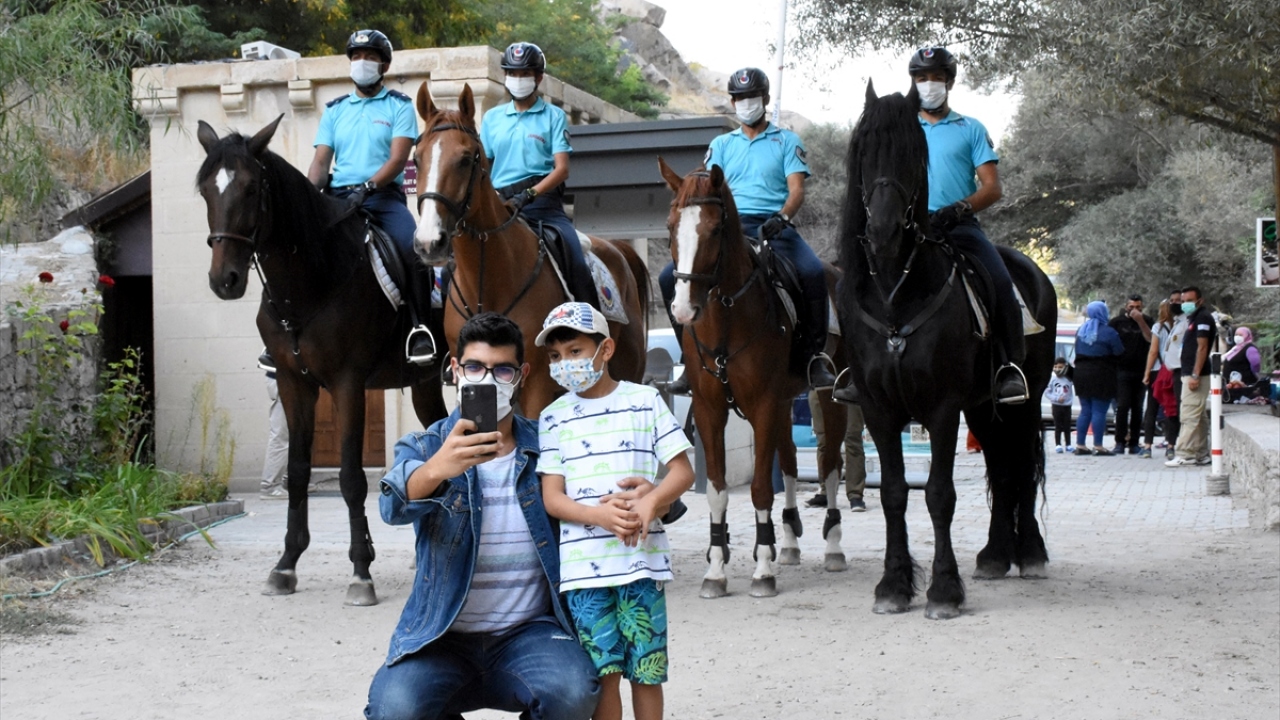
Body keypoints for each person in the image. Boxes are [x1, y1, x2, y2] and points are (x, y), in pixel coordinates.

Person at [365, 312, 599, 720]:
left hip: (529, 633)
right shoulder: (426, 445)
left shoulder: (549, 445)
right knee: (393, 710)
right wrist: (438, 469)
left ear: (522, 375)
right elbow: (391, 507)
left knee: (575, 692)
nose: (487, 380)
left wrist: (654, 498)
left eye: (502, 370)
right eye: (474, 367)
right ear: (456, 371)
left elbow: (602, 486)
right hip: (442, 638)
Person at [536, 302, 695, 720]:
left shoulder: (645, 401)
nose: (564, 364)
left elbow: (682, 472)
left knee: (647, 672)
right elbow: (553, 497)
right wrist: (601, 517)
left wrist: (650, 501)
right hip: (584, 572)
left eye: (574, 351)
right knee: (602, 676)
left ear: (605, 349)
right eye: (555, 356)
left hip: (641, 566)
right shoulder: (552, 418)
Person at [661, 67, 837, 395]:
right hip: (729, 228)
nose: (746, 103)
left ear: (765, 99)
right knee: (666, 277)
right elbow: (707, 187)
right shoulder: (722, 144)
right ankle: (690, 362)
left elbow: (796, 190)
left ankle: (814, 360)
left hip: (775, 227)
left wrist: (782, 217)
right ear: (732, 101)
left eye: (752, 97)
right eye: (740, 98)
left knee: (813, 272)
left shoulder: (787, 140)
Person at [307, 29, 436, 365]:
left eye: (370, 57)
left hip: (382, 200)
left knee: (413, 248)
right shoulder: (335, 110)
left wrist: (367, 187)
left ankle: (420, 327)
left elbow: (397, 159)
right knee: (297, 244)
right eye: (356, 56)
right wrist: (309, 197)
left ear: (384, 65)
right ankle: (286, 330)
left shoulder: (399, 106)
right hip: (338, 198)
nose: (362, 62)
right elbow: (321, 162)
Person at [907, 46, 1027, 404]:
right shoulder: (900, 127)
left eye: (937, 78)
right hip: (907, 229)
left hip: (958, 227)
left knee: (1002, 282)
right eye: (922, 78)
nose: (929, 85)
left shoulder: (970, 128)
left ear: (950, 82)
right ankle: (856, 365)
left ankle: (1009, 367)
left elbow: (992, 188)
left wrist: (958, 208)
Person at [480, 42, 599, 311]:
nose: (518, 80)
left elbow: (562, 169)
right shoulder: (492, 119)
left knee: (576, 260)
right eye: (513, 73)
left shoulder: (553, 116)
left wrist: (530, 194)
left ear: (538, 78)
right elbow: (484, 168)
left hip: (543, 207)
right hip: (502, 206)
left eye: (525, 74)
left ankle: (592, 325)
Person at [1166, 286, 1216, 467]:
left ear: (1199, 301)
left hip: (1196, 375)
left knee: (1188, 414)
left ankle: (1184, 453)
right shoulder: (1193, 318)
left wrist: (1195, 374)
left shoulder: (1203, 318)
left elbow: (1202, 348)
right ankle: (1201, 453)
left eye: (1188, 301)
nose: (1184, 304)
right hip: (1189, 373)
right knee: (1199, 416)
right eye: (1183, 300)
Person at [1073, 301, 1124, 455]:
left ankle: (1080, 445)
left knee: (1085, 410)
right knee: (1099, 411)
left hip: (1081, 372)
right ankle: (1098, 445)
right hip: (1102, 373)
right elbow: (1119, 351)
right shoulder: (1109, 332)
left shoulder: (1081, 331)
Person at [804, 391, 867, 511]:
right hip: (820, 386)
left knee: (852, 439)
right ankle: (826, 491)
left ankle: (855, 494)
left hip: (847, 383)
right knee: (823, 441)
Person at [1109, 294, 1154, 454]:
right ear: (1125, 306)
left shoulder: (1148, 321)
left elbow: (1151, 339)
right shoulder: (1116, 323)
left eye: (1138, 307)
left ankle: (1134, 442)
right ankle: (1119, 442)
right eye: (1131, 307)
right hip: (1121, 370)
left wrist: (1140, 320)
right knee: (1122, 407)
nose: (1134, 310)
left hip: (1141, 371)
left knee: (1137, 408)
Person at [258, 351, 289, 499]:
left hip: (291, 380)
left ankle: (292, 481)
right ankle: (269, 486)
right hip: (283, 380)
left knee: (296, 434)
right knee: (281, 435)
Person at [1223, 325, 1263, 402]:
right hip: (1231, 387)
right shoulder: (1235, 348)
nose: (1237, 337)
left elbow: (1256, 364)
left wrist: (1252, 374)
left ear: (1247, 336)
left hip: (1243, 386)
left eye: (1241, 335)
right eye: (1236, 335)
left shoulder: (1250, 348)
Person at [1045, 356, 1074, 453]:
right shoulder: (1052, 379)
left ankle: (1068, 444)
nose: (1058, 369)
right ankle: (1058, 444)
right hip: (1056, 406)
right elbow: (1047, 392)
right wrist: (1056, 398)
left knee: (1067, 426)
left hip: (1067, 406)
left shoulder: (1069, 379)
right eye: (1056, 367)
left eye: (1060, 367)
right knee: (1058, 426)